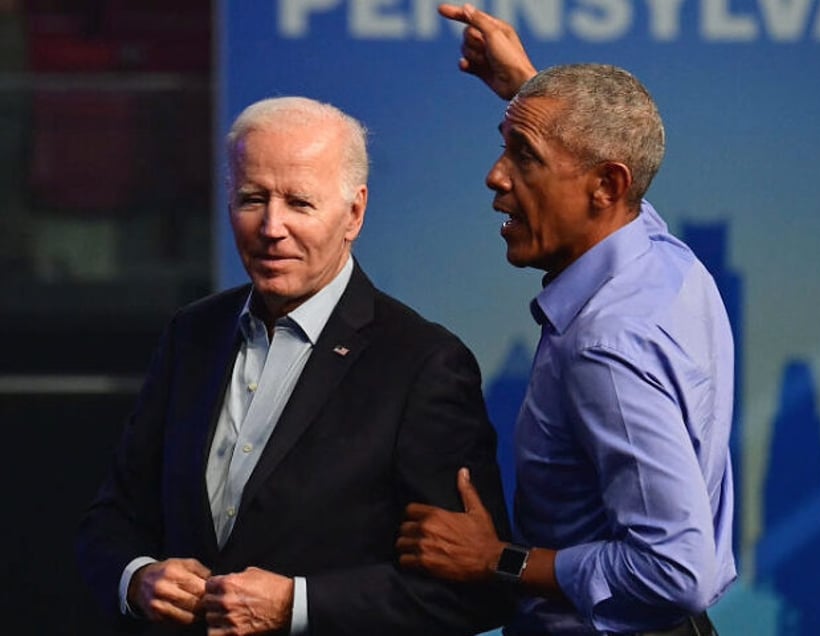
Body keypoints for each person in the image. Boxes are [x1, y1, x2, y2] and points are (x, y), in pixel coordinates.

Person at [76, 96, 513, 635]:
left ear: (354, 212)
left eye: (299, 203)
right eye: (252, 198)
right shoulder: (192, 334)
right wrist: (137, 579)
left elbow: (474, 594)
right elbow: (112, 518)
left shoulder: (423, 364)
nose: (271, 227)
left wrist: (297, 606)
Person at [396, 5, 737, 635]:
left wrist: (496, 560)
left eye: (523, 157)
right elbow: (611, 165)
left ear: (606, 185)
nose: (495, 176)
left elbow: (675, 571)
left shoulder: (607, 346)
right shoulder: (657, 255)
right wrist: (530, 90)